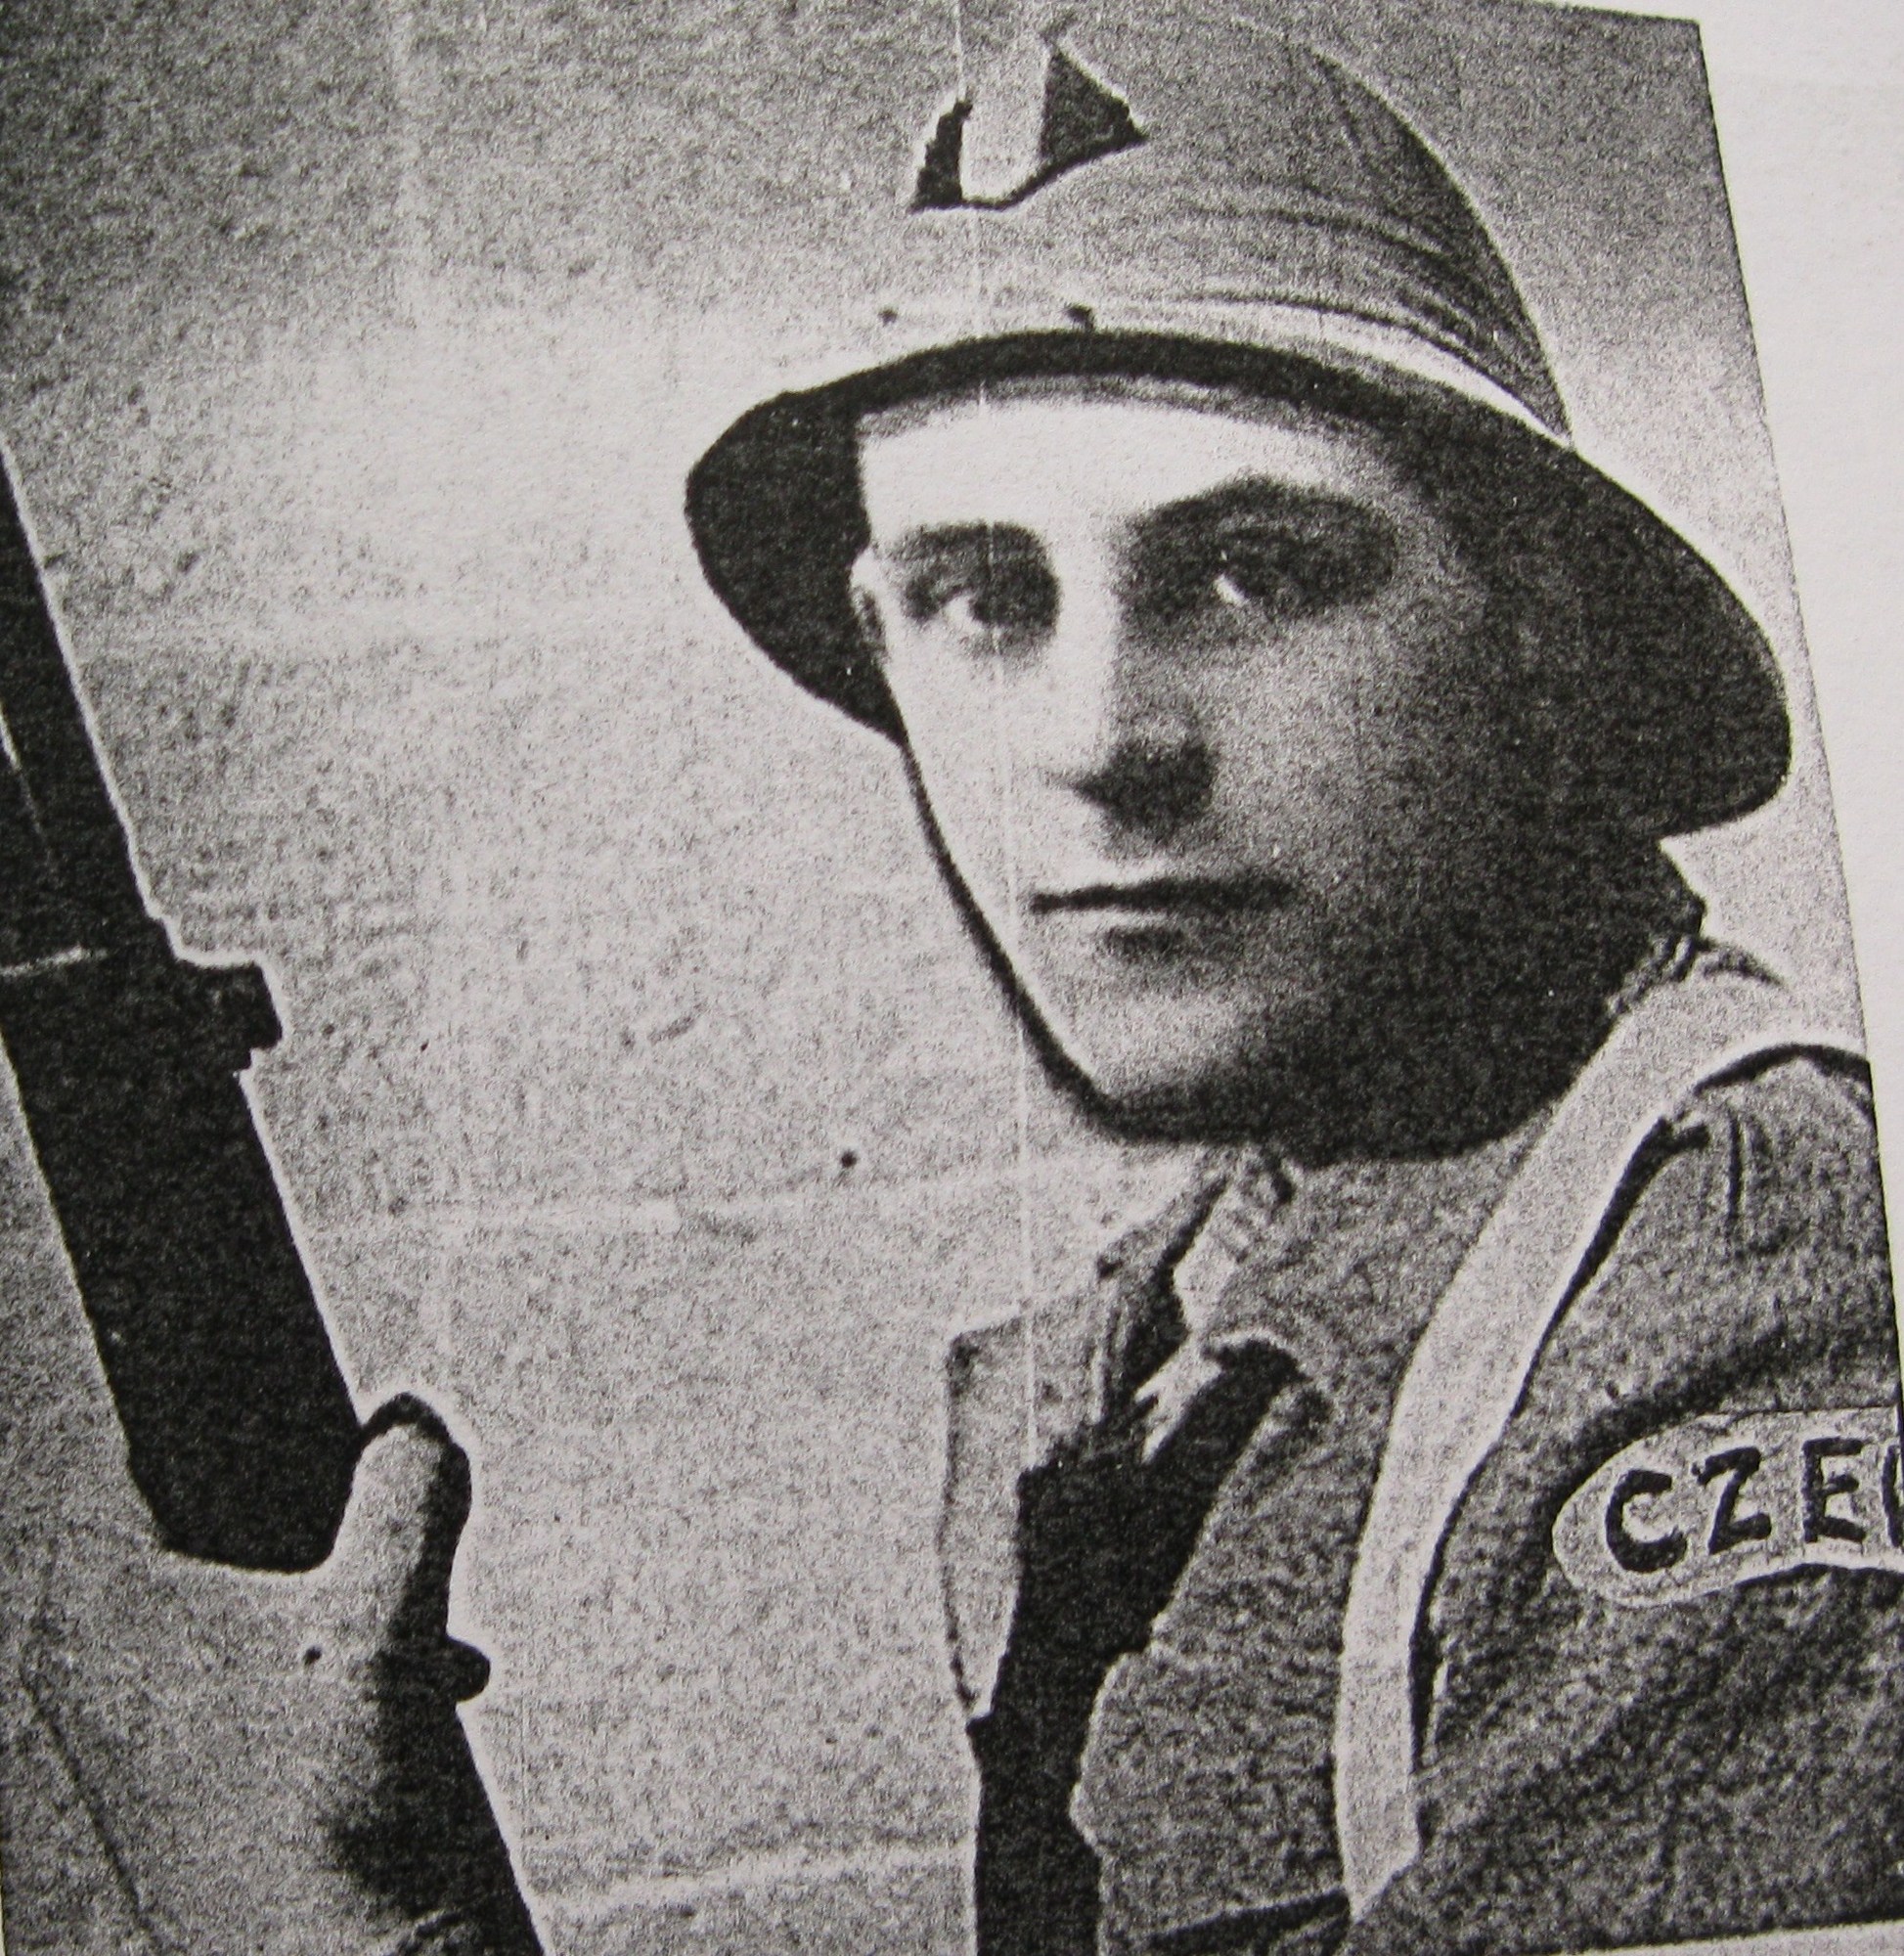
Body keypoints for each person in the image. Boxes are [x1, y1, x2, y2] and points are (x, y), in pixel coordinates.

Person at [22, 10, 1903, 1956]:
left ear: (1538, 635)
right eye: (985, 597)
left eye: (1255, 569)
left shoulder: (1731, 1306)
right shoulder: (1193, 1301)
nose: (1098, 743)